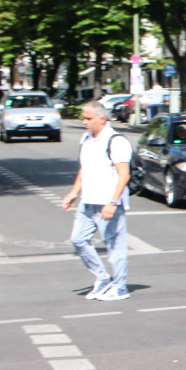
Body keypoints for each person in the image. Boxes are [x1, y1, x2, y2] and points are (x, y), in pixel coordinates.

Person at [62, 100, 132, 300]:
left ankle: (120, 286)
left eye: (88, 118)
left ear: (102, 119)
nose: (84, 122)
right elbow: (85, 169)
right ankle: (102, 278)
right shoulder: (86, 139)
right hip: (88, 200)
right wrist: (73, 193)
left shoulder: (116, 141)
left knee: (115, 247)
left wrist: (113, 202)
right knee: (78, 239)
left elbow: (124, 174)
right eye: (83, 118)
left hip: (108, 202)